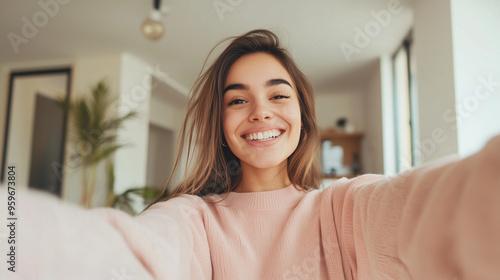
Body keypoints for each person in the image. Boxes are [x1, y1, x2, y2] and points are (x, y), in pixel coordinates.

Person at [1, 29, 500, 280]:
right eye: (237, 100)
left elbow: (438, 208)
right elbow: (122, 255)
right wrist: (13, 235)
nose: (260, 112)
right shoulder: (192, 220)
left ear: (302, 115)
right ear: (219, 124)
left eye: (278, 95)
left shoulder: (343, 208)